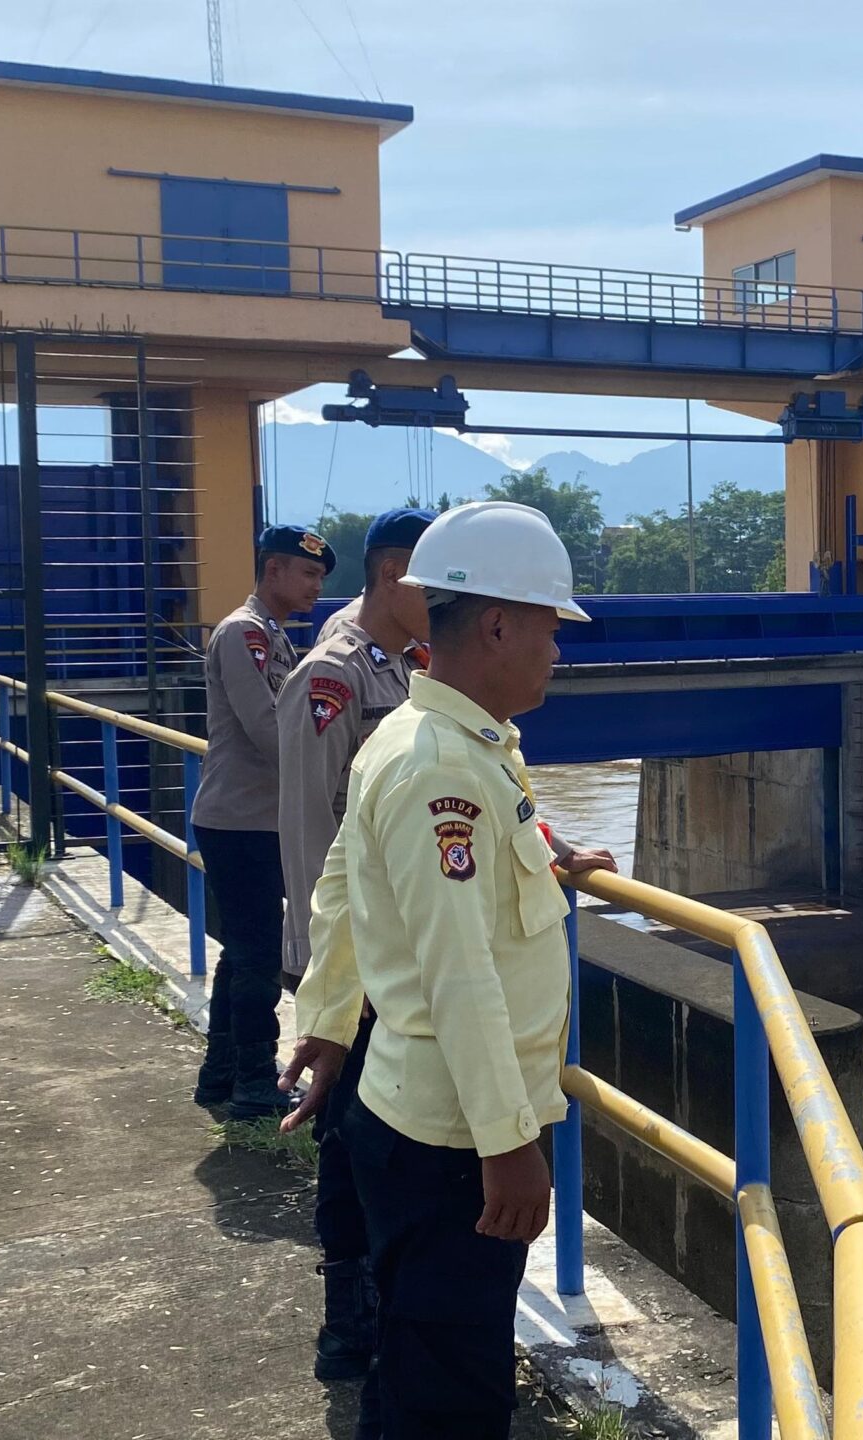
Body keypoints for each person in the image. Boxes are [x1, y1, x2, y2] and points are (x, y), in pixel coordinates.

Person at [281, 500, 612, 1438]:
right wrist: (508, 1146)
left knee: (416, 1358)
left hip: (413, 1113)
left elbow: (347, 891)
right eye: (551, 627)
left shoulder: (446, 742)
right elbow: (458, 968)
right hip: (453, 1143)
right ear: (499, 624)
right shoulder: (444, 767)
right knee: (454, 1392)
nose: (558, 649)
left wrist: (330, 1023)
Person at [272, 507, 433, 1384]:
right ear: (394, 571)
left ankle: (387, 1300)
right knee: (349, 1142)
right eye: (433, 581)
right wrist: (319, 972)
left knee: (389, 1139)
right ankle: (347, 1322)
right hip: (351, 963)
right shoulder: (332, 676)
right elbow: (307, 834)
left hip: (396, 957)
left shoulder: (403, 671)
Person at [190, 524, 330, 1120]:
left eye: (321, 578)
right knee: (257, 953)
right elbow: (270, 728)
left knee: (241, 951)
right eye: (307, 574)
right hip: (240, 819)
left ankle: (221, 1075)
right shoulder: (245, 634)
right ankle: (253, 1081)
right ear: (272, 570)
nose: (316, 588)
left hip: (254, 818)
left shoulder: (272, 636)